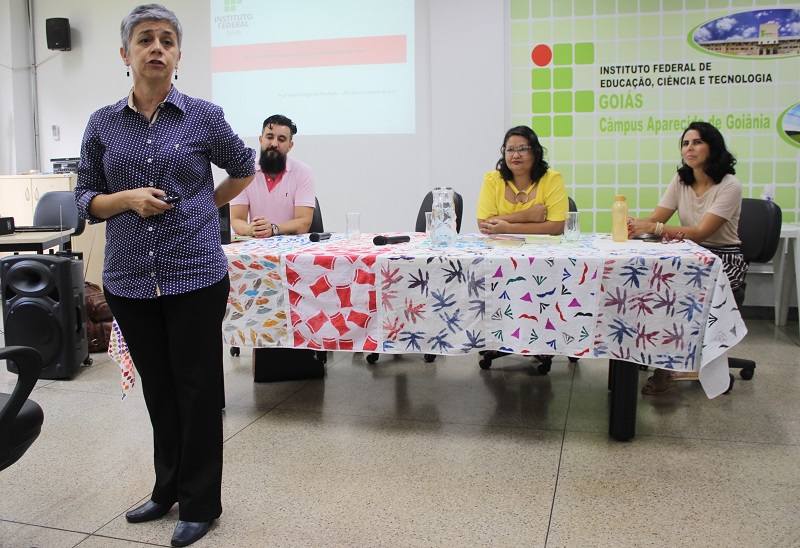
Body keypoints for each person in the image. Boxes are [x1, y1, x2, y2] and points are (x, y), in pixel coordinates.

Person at [74, 5, 255, 546]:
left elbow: (243, 166)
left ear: (178, 54)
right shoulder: (102, 124)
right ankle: (167, 487)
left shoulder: (203, 115)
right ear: (125, 54)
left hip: (196, 273)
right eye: (146, 39)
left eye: (168, 40)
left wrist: (205, 203)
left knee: (198, 389)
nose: (157, 48)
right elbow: (85, 198)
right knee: (159, 388)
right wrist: (124, 199)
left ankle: (201, 503)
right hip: (130, 279)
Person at [629, 121, 744, 395]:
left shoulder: (730, 185)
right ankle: (652, 356)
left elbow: (702, 233)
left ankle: (666, 368)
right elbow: (657, 219)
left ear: (712, 148)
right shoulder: (681, 179)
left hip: (723, 258)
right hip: (688, 254)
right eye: (685, 143)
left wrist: (654, 229)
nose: (689, 148)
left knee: (674, 291)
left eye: (697, 142)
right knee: (647, 285)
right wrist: (633, 224)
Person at [229, 114, 316, 237]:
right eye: (269, 137)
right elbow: (236, 219)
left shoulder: (303, 171)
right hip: (255, 246)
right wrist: (251, 230)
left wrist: (274, 229)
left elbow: (304, 222)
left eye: (281, 139)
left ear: (290, 146)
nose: (274, 144)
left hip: (291, 248)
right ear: (261, 139)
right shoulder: (244, 170)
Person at [477, 125, 569, 235]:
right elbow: (484, 225)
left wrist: (508, 228)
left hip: (542, 249)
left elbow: (557, 226)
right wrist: (525, 215)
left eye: (523, 149)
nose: (516, 155)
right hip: (500, 248)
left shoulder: (551, 179)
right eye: (510, 150)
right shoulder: (493, 180)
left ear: (535, 152)